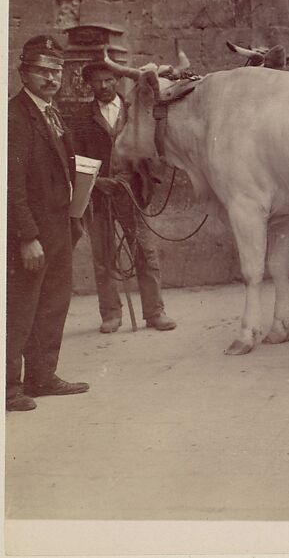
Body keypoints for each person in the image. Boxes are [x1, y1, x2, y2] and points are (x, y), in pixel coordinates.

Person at [7, 35, 90, 411]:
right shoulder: (14, 117)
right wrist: (27, 237)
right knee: (20, 308)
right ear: (23, 72)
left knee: (53, 304)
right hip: (31, 233)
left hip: (59, 227)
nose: (51, 78)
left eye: (56, 71)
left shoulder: (53, 113)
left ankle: (42, 377)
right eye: (42, 70)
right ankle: (8, 388)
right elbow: (11, 184)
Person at [69, 61, 175, 334]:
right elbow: (75, 159)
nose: (103, 87)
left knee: (145, 252)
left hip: (132, 192)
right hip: (99, 195)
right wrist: (95, 183)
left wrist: (145, 178)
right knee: (103, 256)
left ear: (117, 81)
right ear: (88, 84)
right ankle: (111, 314)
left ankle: (154, 312)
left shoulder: (134, 111)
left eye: (108, 80)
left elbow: (153, 146)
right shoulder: (81, 117)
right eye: (97, 82)